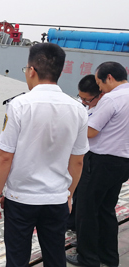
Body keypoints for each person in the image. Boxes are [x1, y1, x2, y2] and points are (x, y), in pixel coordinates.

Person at [0, 43, 89, 266]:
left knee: (17, 257)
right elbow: (78, 160)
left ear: (32, 70)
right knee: (55, 256)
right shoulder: (78, 109)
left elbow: (5, 156)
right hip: (56, 198)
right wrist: (69, 194)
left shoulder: (19, 105)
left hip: (20, 198)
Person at [68, 62, 129, 267]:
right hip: (122, 162)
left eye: (99, 83)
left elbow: (91, 131)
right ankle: (109, 257)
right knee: (105, 210)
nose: (99, 88)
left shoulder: (112, 98)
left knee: (86, 211)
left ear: (109, 78)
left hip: (101, 162)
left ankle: (88, 259)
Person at [68, 74, 104, 232]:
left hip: (92, 158)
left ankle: (81, 234)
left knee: (85, 199)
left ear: (100, 95)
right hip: (81, 154)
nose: (83, 102)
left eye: (87, 99)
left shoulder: (103, 109)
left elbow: (90, 132)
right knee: (77, 193)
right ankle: (71, 223)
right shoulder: (85, 107)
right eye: (80, 97)